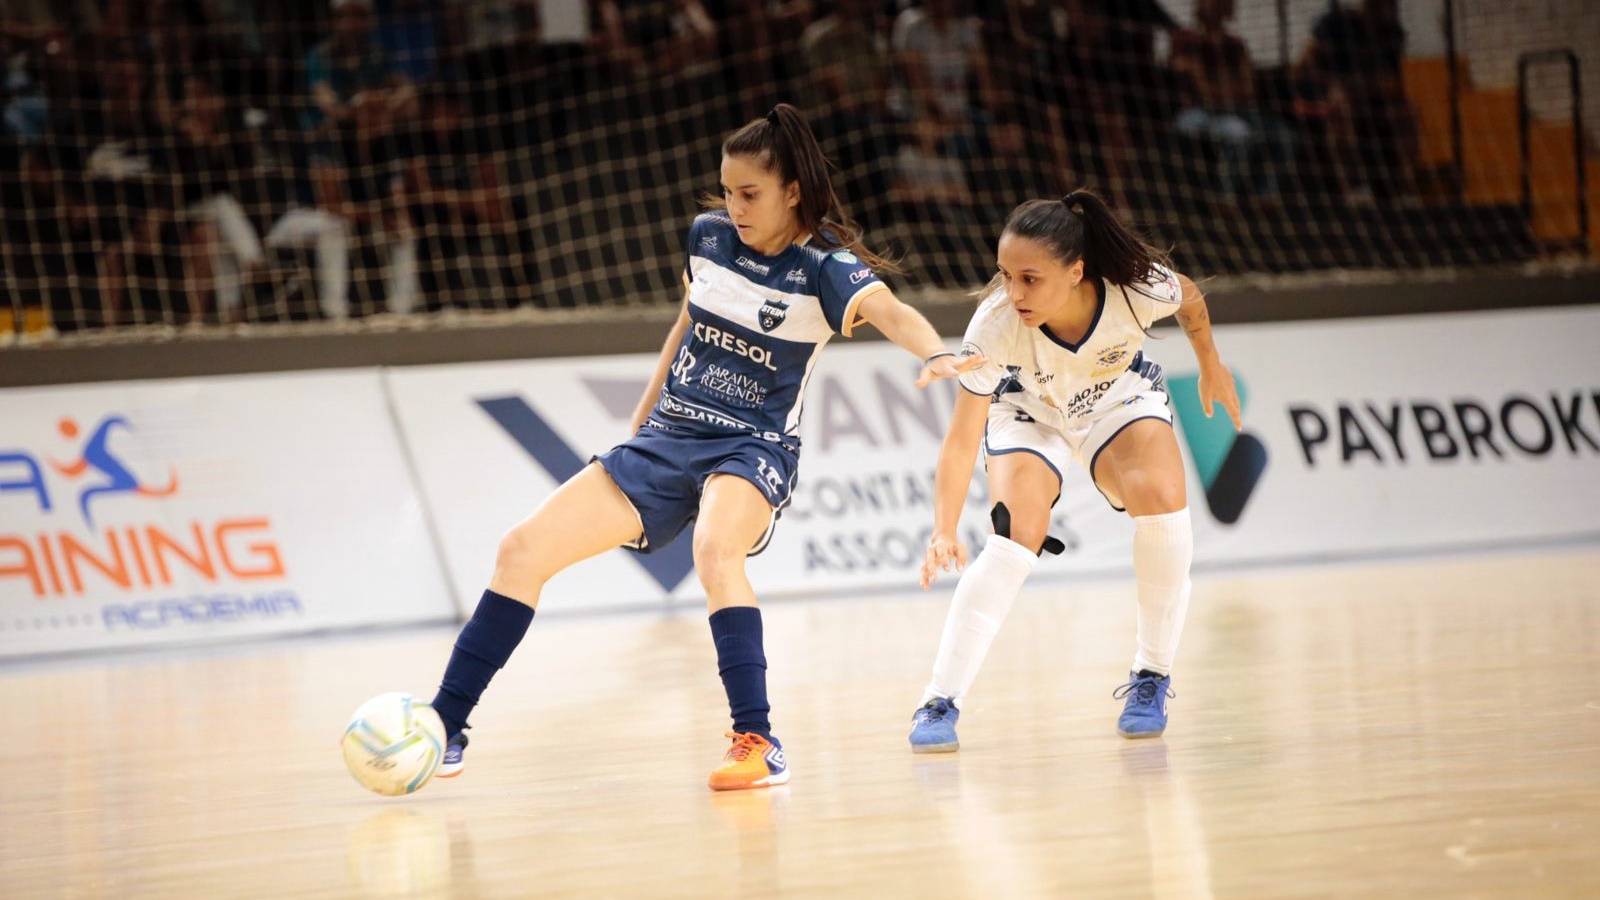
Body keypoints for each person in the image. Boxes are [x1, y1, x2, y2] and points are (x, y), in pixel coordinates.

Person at [425, 104, 981, 791]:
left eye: (750, 194)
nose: (735, 206)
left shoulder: (824, 268)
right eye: (728, 191)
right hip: (669, 436)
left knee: (715, 550)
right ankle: (445, 726)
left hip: (754, 447)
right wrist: (646, 409)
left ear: (792, 193)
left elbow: (893, 312)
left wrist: (937, 353)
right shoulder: (708, 238)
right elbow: (689, 318)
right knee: (520, 550)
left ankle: (758, 740)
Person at [908, 189, 1241, 752]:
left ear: (1076, 270)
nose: (1013, 293)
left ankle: (1151, 675)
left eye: (1030, 278)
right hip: (1030, 412)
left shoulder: (1133, 290)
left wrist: (1211, 362)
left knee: (1162, 497)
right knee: (1015, 535)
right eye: (1005, 276)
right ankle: (939, 699)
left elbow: (1188, 297)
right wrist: (943, 528)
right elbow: (962, 438)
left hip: (1115, 400)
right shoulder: (994, 326)